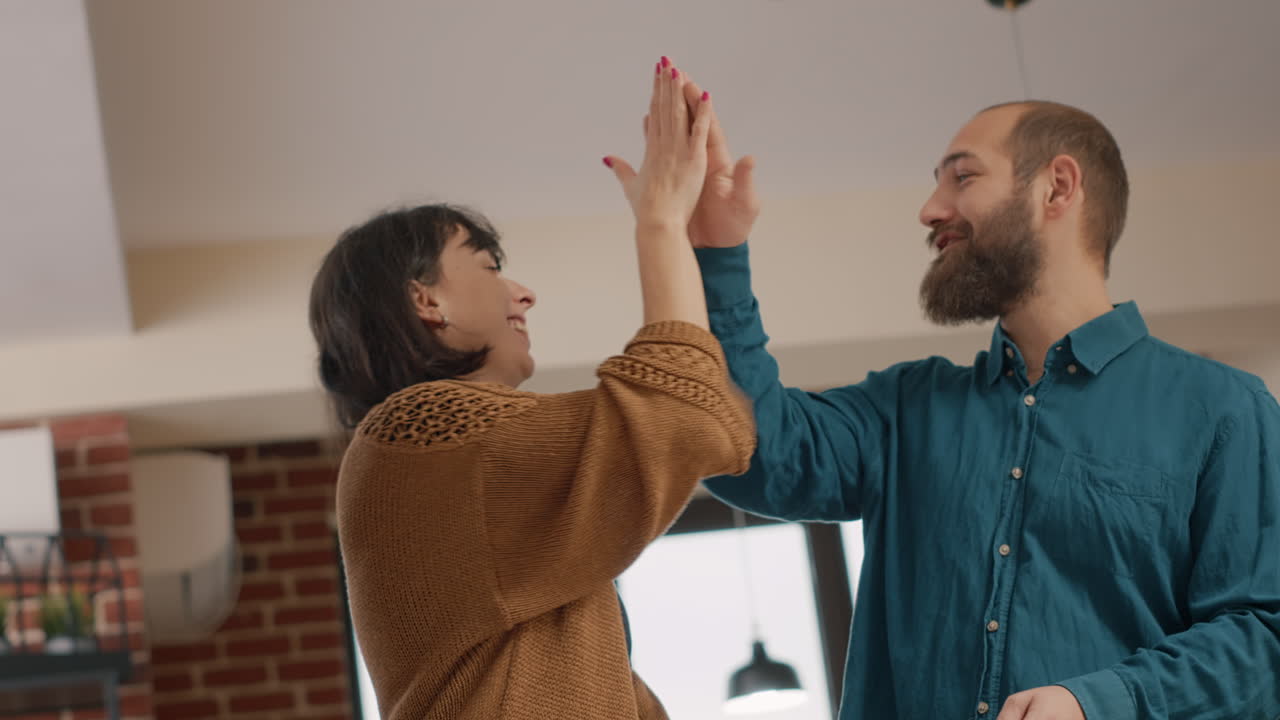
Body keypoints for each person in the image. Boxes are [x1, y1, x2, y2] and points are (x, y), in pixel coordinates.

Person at [684, 93, 1280, 719]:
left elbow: (1264, 638)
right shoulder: (903, 411)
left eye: (962, 176)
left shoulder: (1224, 411)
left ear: (1057, 186)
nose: (929, 210)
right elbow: (746, 447)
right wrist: (716, 254)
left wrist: (1100, 703)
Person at [309, 58, 755, 719]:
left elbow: (710, 421)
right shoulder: (415, 434)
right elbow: (685, 416)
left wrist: (696, 246)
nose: (523, 292)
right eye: (491, 267)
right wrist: (661, 225)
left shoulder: (472, 481)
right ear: (425, 299)